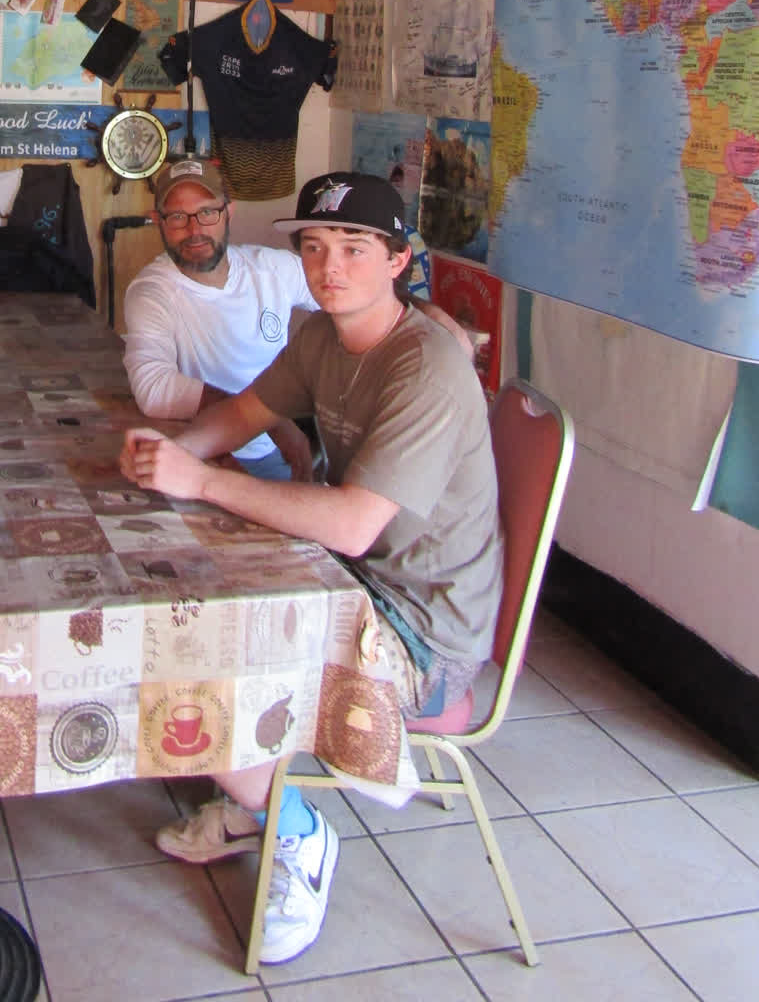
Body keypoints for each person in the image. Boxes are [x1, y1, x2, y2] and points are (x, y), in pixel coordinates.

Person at [119, 171, 503, 966]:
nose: (331, 267)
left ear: (397, 261)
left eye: (355, 248)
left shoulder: (426, 365)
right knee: (169, 608)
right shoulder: (323, 336)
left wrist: (202, 481)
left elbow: (357, 525)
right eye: (317, 247)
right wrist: (173, 452)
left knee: (187, 666)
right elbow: (244, 413)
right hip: (349, 580)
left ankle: (295, 828)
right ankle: (253, 796)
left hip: (423, 629)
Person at [121, 157, 316, 483]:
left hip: (273, 451)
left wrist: (426, 316)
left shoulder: (272, 269)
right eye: (178, 216)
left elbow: (353, 299)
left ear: (229, 211)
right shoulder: (152, 292)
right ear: (158, 221)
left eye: (208, 212)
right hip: (204, 452)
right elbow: (153, 389)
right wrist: (268, 419)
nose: (195, 230)